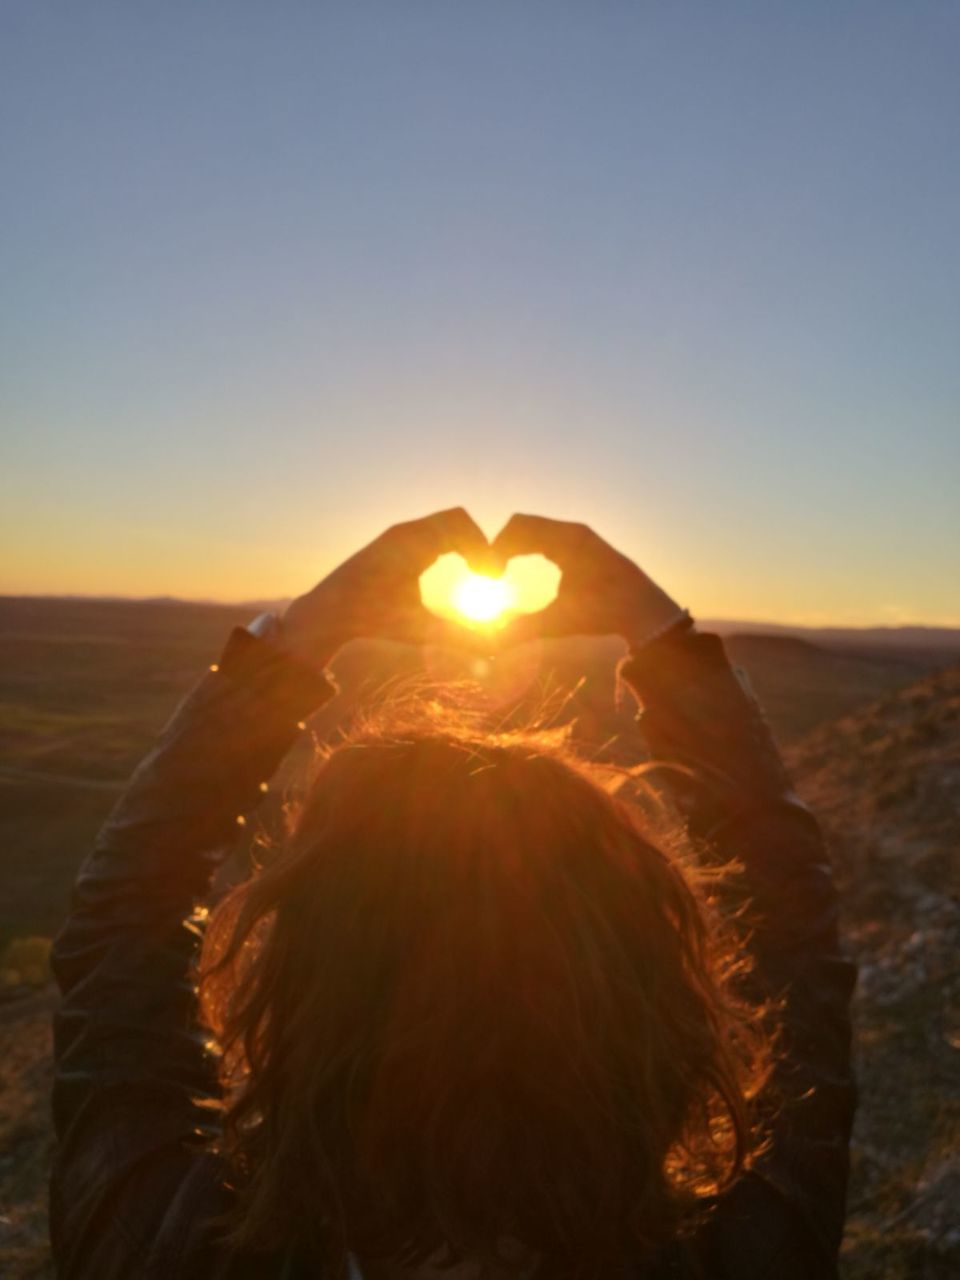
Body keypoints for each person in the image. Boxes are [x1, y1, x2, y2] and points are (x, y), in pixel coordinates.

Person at [49, 509, 856, 1279]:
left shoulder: (170, 1243)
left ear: (302, 996)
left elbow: (119, 930)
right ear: (653, 1008)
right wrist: (669, 646)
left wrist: (296, 643)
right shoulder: (747, 1246)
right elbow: (792, 941)